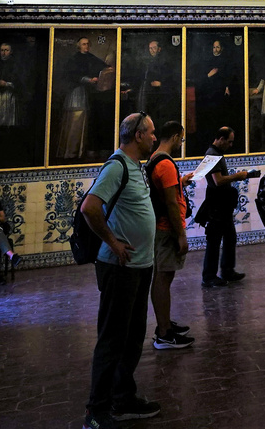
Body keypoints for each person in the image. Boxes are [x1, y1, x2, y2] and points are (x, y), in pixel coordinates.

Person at [77, 113, 161, 429]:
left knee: (132, 336)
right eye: (151, 133)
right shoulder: (118, 166)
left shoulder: (136, 167)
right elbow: (90, 207)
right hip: (119, 268)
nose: (155, 138)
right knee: (112, 339)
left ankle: (123, 397)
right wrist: (113, 242)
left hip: (139, 267)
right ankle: (95, 412)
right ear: (138, 135)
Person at [145, 121, 194, 350]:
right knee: (163, 279)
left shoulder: (155, 158)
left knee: (164, 277)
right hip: (166, 229)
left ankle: (165, 324)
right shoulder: (165, 164)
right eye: (181, 139)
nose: (181, 143)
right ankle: (164, 333)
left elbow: (167, 192)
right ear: (175, 137)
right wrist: (180, 234)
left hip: (161, 227)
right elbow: (171, 203)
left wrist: (181, 182)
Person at [197, 126, 259, 287]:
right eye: (229, 142)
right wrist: (238, 176)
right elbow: (218, 181)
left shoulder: (217, 154)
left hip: (222, 204)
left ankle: (227, 270)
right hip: (216, 204)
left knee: (230, 237)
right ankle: (209, 275)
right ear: (221, 139)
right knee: (215, 240)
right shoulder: (212, 154)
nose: (230, 145)